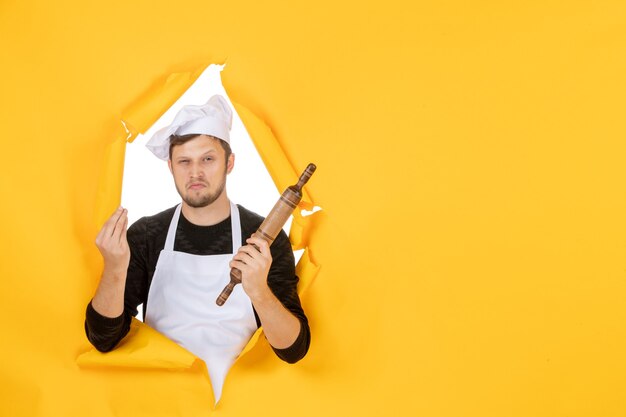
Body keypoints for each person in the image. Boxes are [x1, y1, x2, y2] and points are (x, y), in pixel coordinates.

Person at [84, 95, 310, 402]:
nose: (195, 173)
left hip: (240, 403)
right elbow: (104, 339)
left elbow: (294, 349)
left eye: (207, 159)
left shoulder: (263, 240)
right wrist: (114, 266)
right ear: (170, 166)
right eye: (184, 161)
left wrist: (258, 291)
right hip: (161, 402)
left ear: (229, 163)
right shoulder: (147, 235)